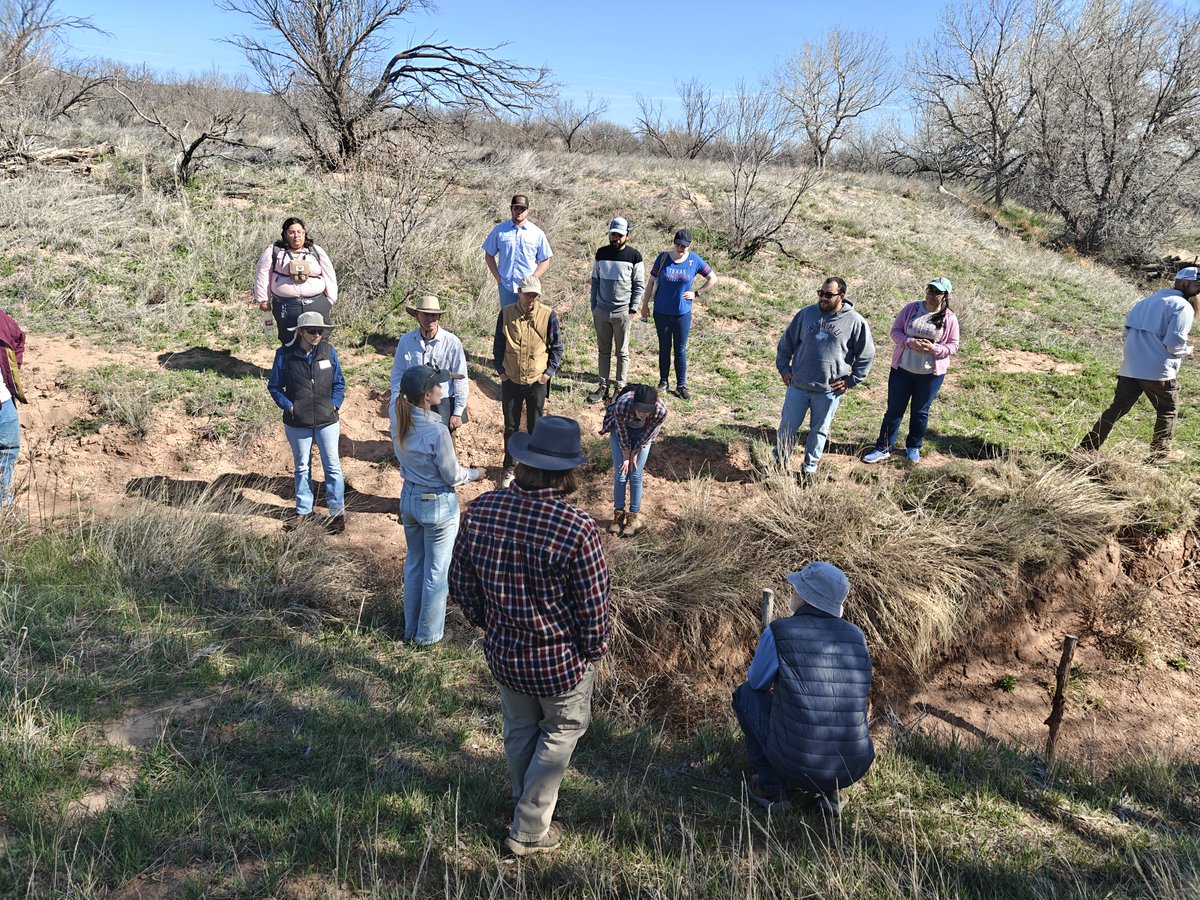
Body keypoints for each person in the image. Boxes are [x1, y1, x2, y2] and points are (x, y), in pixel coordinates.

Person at [449, 416, 609, 857]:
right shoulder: (577, 528)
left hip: (505, 651)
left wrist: (488, 621)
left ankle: (524, 803)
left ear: (524, 461)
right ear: (568, 472)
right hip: (559, 660)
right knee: (561, 730)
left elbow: (460, 580)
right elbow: (593, 608)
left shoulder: (481, 510)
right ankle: (529, 828)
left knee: (520, 728)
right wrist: (592, 651)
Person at [731, 562, 874, 815]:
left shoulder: (780, 631)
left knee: (746, 695)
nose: (793, 592)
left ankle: (771, 787)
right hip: (854, 764)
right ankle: (833, 791)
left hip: (799, 763)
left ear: (806, 596)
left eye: (797, 588)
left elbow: (757, 683)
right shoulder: (857, 636)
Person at [391, 364, 482, 645]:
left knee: (415, 565)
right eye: (438, 386)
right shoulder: (436, 430)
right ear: (427, 394)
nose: (443, 389)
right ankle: (428, 636)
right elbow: (452, 475)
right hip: (437, 504)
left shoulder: (398, 418)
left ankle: (410, 628)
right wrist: (476, 474)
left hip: (409, 498)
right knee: (437, 571)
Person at [1080, 266, 1200, 457]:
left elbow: (1126, 333)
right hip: (1159, 370)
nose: (1198, 290)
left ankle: (1087, 447)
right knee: (1167, 410)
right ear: (1184, 283)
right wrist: (1187, 351)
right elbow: (1174, 342)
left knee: (1117, 408)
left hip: (1130, 367)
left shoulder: (1144, 302)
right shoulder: (1182, 306)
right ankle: (1159, 455)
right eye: (1197, 285)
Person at [775, 276, 875, 478]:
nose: (823, 298)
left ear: (842, 296)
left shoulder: (855, 321)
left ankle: (809, 470)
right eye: (821, 293)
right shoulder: (806, 314)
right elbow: (786, 343)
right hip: (798, 385)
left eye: (828, 295)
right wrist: (784, 368)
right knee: (787, 427)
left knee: (819, 431)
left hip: (828, 391)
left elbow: (866, 354)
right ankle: (778, 464)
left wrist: (851, 380)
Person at [862, 277, 961, 465]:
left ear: (945, 296)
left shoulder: (950, 318)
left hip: (930, 376)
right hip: (902, 370)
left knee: (920, 412)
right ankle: (883, 447)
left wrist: (934, 350)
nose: (931, 295)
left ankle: (913, 447)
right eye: (929, 290)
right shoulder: (911, 309)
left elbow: (953, 346)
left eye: (936, 292)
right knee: (894, 410)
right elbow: (895, 331)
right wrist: (909, 342)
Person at [267, 311, 346, 533]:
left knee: (333, 466)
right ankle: (303, 511)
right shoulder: (284, 354)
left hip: (327, 421)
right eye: (312, 330)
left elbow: (339, 383)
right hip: (297, 422)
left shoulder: (329, 352)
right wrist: (290, 406)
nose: (317, 335)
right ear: (301, 331)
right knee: (302, 466)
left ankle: (337, 514)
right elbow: (274, 387)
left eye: (320, 331)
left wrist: (334, 405)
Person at [493, 274, 563, 487]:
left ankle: (534, 469)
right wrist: (502, 372)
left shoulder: (548, 315)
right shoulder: (505, 314)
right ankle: (510, 468)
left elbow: (557, 348)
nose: (531, 299)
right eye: (527, 294)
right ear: (519, 293)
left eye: (534, 295)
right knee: (511, 427)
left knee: (536, 427)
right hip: (511, 380)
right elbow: (498, 345)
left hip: (536, 381)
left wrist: (547, 374)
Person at [640, 228, 715, 401]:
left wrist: (696, 293)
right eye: (678, 244)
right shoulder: (663, 258)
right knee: (664, 348)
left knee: (680, 349)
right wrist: (644, 305)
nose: (680, 248)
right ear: (673, 242)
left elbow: (713, 279)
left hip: (682, 313)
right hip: (661, 311)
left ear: (690, 245)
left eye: (684, 246)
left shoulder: (694, 260)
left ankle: (681, 385)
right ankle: (663, 382)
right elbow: (651, 282)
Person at [389, 295, 468, 433]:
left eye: (433, 315)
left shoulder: (452, 342)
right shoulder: (406, 341)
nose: (429, 319)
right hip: (413, 402)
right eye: (425, 314)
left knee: (445, 446)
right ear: (417, 316)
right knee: (415, 442)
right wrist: (396, 402)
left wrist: (457, 412)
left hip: (442, 402)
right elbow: (398, 373)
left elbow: (461, 377)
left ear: (439, 317)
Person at [587, 217, 645, 404]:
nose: (615, 238)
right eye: (613, 234)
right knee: (603, 351)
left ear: (627, 236)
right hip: (601, 311)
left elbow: (639, 285)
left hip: (622, 312)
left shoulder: (634, 256)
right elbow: (595, 280)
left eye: (619, 235)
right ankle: (603, 386)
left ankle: (620, 388)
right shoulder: (601, 253)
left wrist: (632, 309)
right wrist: (593, 306)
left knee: (622, 352)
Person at [255, 217, 339, 343]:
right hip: (286, 306)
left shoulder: (315, 251)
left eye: (300, 232)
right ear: (285, 234)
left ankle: (317, 362)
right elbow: (263, 274)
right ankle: (291, 363)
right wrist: (263, 299)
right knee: (289, 341)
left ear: (305, 233)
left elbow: (329, 273)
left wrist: (330, 300)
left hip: (316, 304)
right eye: (292, 232)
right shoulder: (275, 251)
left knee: (319, 340)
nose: (296, 236)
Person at [599, 384, 667, 537]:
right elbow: (621, 432)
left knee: (635, 474)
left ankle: (633, 517)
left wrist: (634, 454)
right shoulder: (623, 404)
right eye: (639, 409)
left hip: (642, 436)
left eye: (646, 411)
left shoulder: (660, 411)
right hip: (621, 434)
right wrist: (626, 456)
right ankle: (618, 515)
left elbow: (648, 434)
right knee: (621, 474)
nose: (642, 414)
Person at [482, 193, 553, 308]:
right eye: (516, 208)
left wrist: (533, 278)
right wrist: (498, 278)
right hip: (506, 286)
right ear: (511, 209)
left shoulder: (537, 233)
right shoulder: (499, 230)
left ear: (528, 211)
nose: (519, 211)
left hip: (528, 288)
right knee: (508, 320)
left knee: (529, 320)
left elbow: (545, 259)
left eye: (522, 209)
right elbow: (489, 255)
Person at [0, 307, 26, 507]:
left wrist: (13, 368)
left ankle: (4, 509)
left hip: (5, 402)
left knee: (7, 453)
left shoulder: (2, 320)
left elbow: (18, 339)